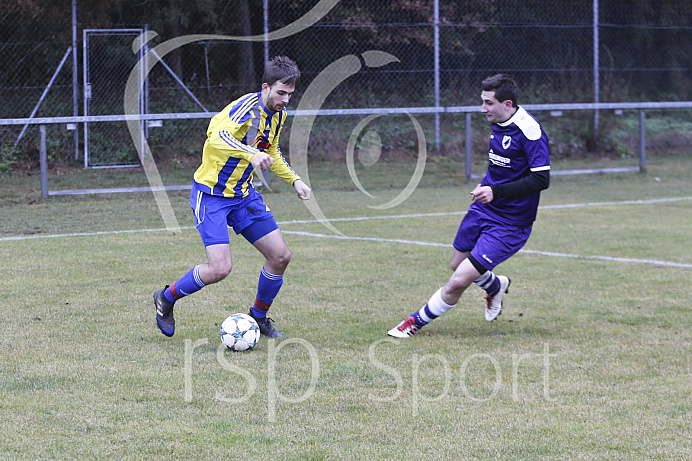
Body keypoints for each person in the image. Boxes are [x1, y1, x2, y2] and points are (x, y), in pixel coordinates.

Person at [154, 56, 311, 338]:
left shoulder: (278, 115)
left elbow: (270, 150)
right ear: (266, 87)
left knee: (280, 256)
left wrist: (295, 180)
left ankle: (258, 317)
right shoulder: (245, 110)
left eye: (290, 94)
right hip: (211, 195)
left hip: (243, 196)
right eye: (281, 93)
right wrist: (251, 153)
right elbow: (217, 137)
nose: (285, 99)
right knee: (220, 268)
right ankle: (166, 298)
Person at [388, 74, 550, 337]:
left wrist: (495, 191)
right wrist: (487, 187)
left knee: (459, 280)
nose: (482, 108)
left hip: (510, 222)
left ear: (507, 104)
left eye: (488, 103)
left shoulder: (529, 131)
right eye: (482, 101)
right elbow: (506, 167)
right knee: (457, 264)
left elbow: (542, 178)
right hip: (484, 209)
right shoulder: (500, 121)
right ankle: (495, 285)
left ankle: (413, 323)